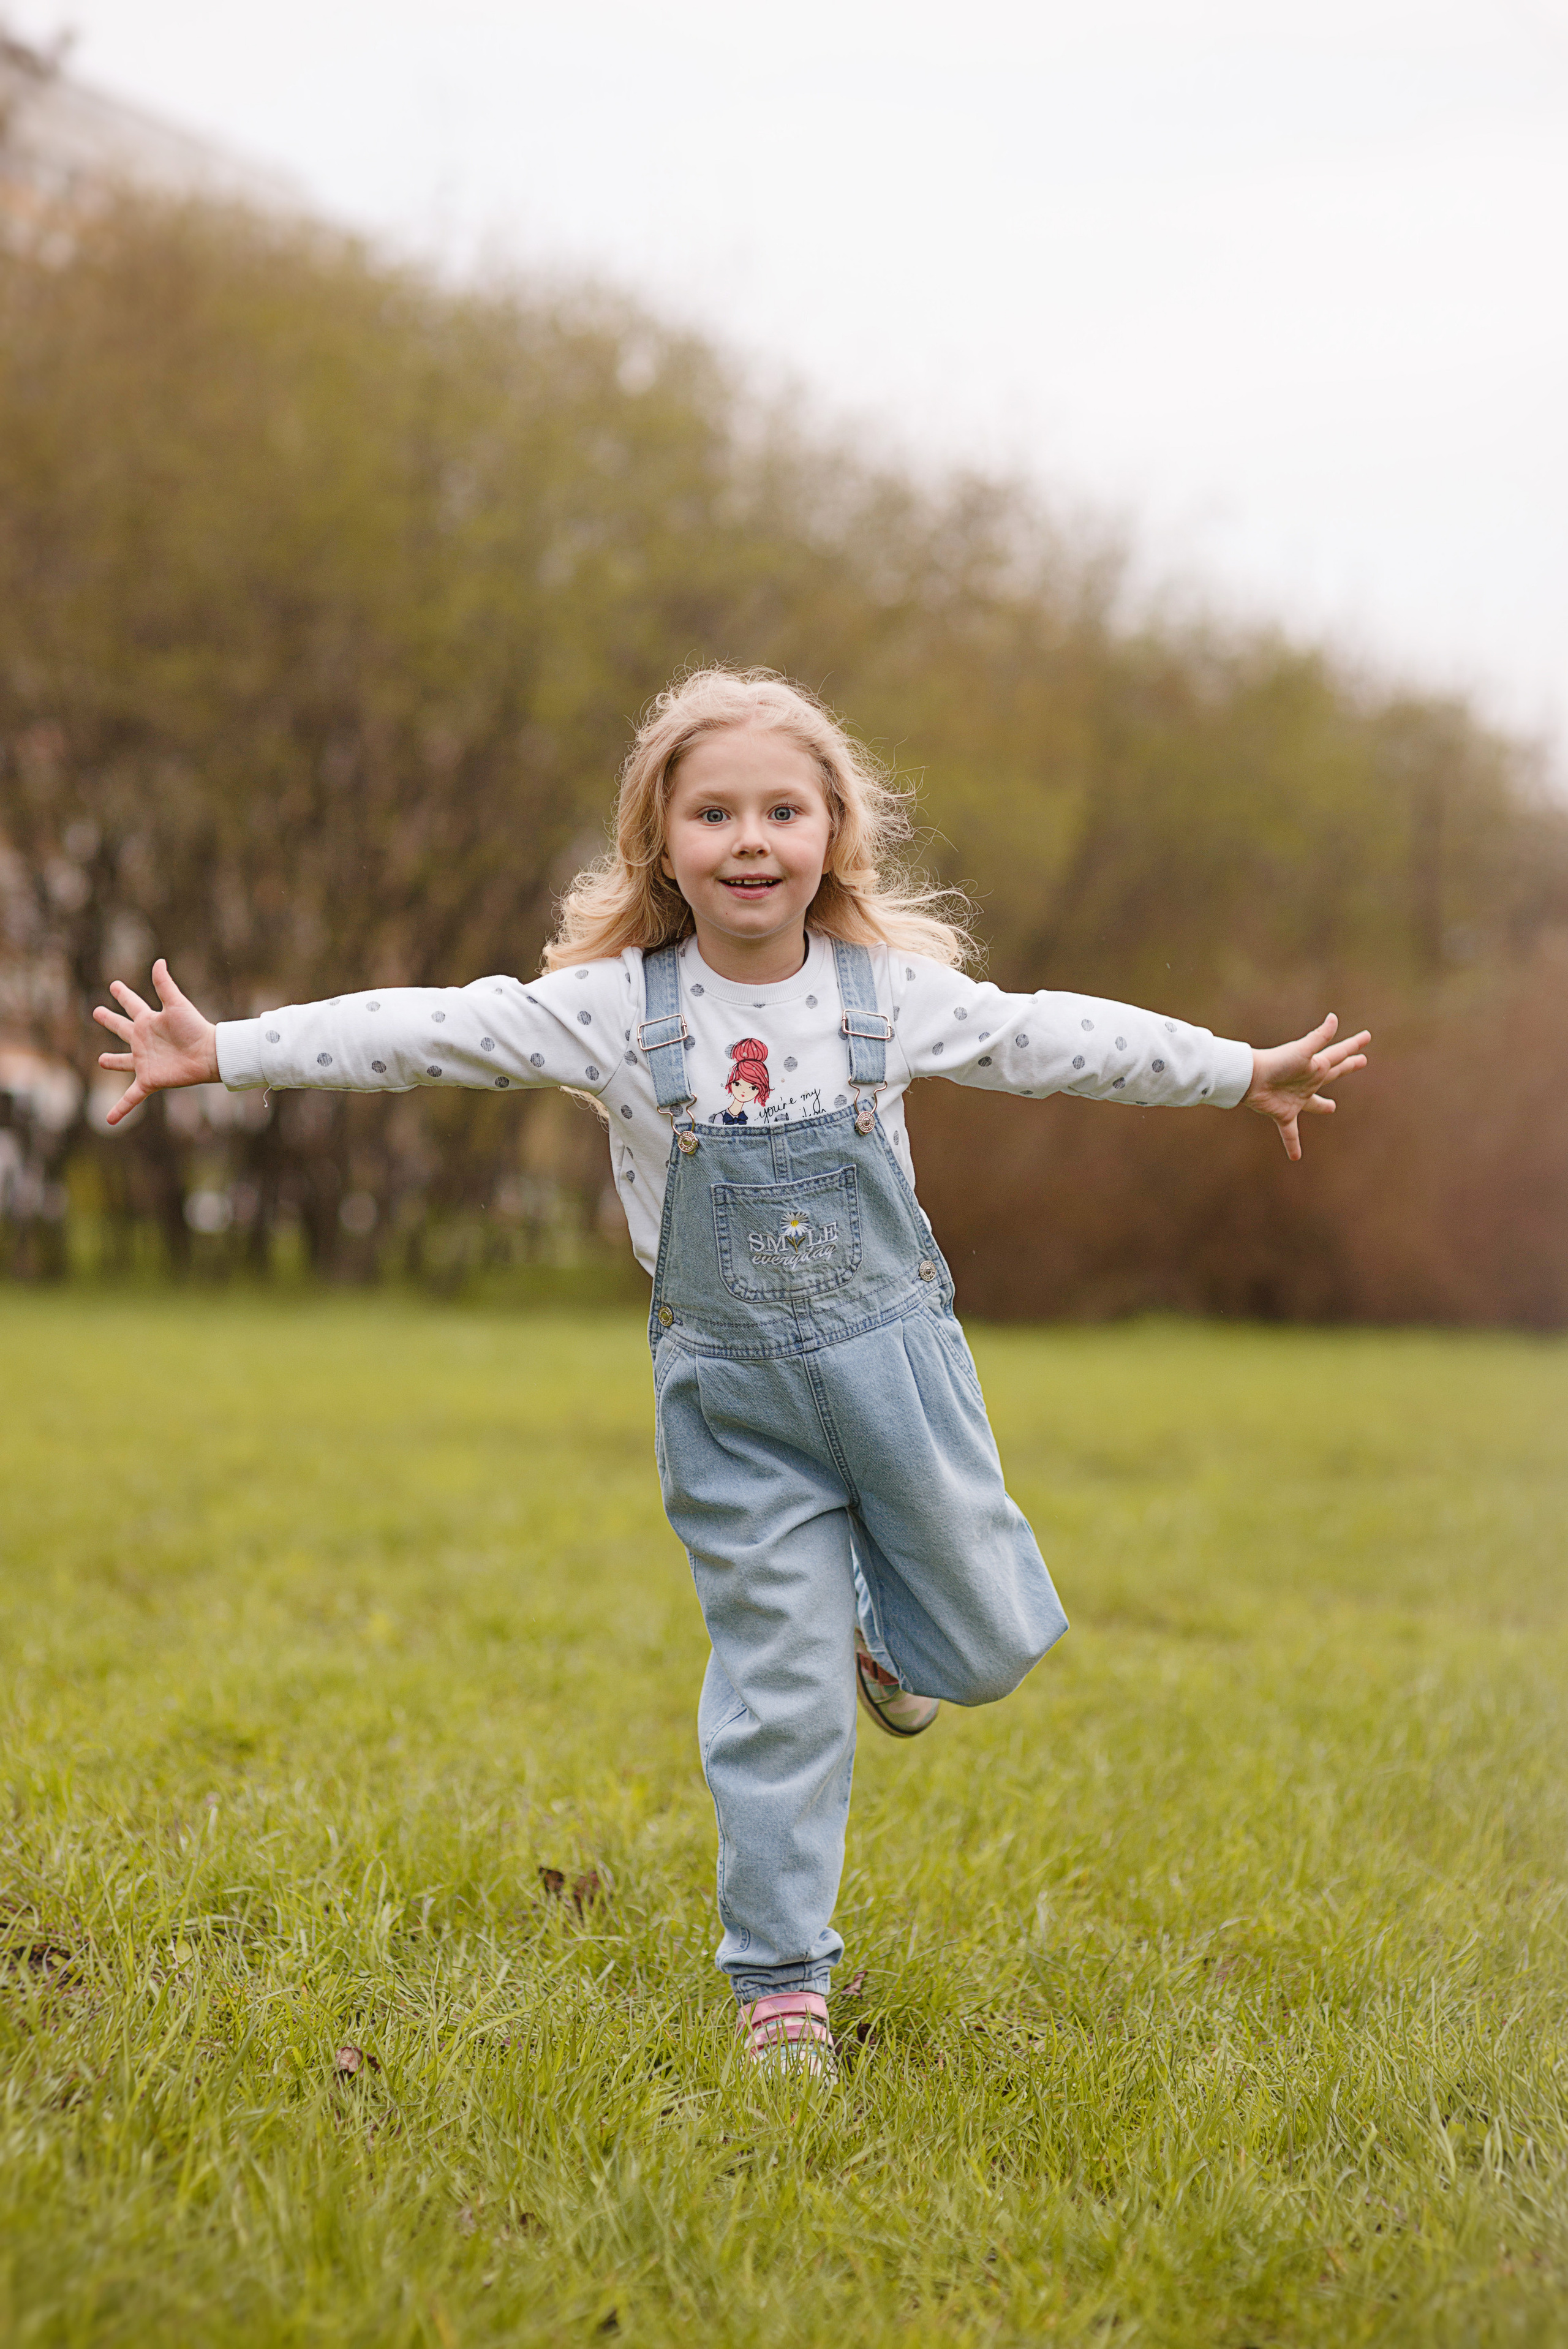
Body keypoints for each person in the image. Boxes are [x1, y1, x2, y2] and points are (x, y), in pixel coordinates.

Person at [94, 666, 1370, 2078]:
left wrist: (1235, 1069)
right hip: (731, 1403)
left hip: (898, 1373)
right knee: (777, 1693)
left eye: (780, 810)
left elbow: (1055, 1037)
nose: (748, 839)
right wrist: (228, 1050)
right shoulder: (607, 1010)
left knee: (988, 1643)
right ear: (659, 839)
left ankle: (883, 1639)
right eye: (712, 813)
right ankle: (780, 1984)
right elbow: (426, 1031)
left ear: (831, 833)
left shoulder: (888, 995)